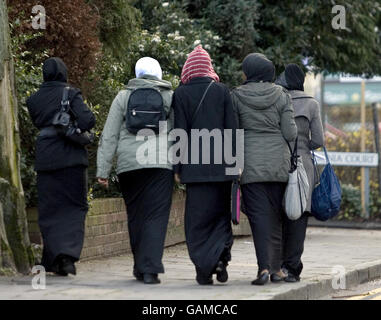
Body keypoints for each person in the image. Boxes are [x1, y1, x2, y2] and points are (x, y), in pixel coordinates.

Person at [96, 57, 174, 285]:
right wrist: (181, 166)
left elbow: (109, 135)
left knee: (136, 215)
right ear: (159, 73)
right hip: (161, 164)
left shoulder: (123, 96)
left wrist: (103, 169)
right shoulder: (169, 96)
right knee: (156, 217)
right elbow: (180, 132)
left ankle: (140, 265)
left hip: (129, 166)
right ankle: (150, 269)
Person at [172, 45, 237, 285]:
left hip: (194, 170)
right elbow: (232, 129)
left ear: (188, 67)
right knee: (221, 217)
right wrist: (235, 163)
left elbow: (179, 133)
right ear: (209, 67)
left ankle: (203, 268)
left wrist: (177, 168)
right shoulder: (222, 91)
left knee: (197, 221)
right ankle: (220, 258)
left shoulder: (181, 94)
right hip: (221, 169)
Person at [231, 53, 297, 285]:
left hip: (250, 164)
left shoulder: (236, 96)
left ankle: (263, 268)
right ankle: (278, 270)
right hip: (278, 163)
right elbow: (290, 133)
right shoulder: (282, 95)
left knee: (259, 218)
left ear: (249, 72)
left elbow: (234, 131)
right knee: (277, 217)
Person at [27, 57, 96, 276]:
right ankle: (67, 257)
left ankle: (53, 258)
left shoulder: (34, 99)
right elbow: (88, 121)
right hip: (72, 159)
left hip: (46, 160)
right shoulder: (70, 93)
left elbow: (37, 123)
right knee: (75, 207)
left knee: (50, 210)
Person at [276, 63, 324, 282]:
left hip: (277, 162)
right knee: (299, 216)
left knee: (280, 214)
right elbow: (319, 140)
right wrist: (303, 144)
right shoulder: (311, 104)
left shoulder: (277, 100)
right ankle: (292, 268)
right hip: (302, 163)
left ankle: (277, 265)